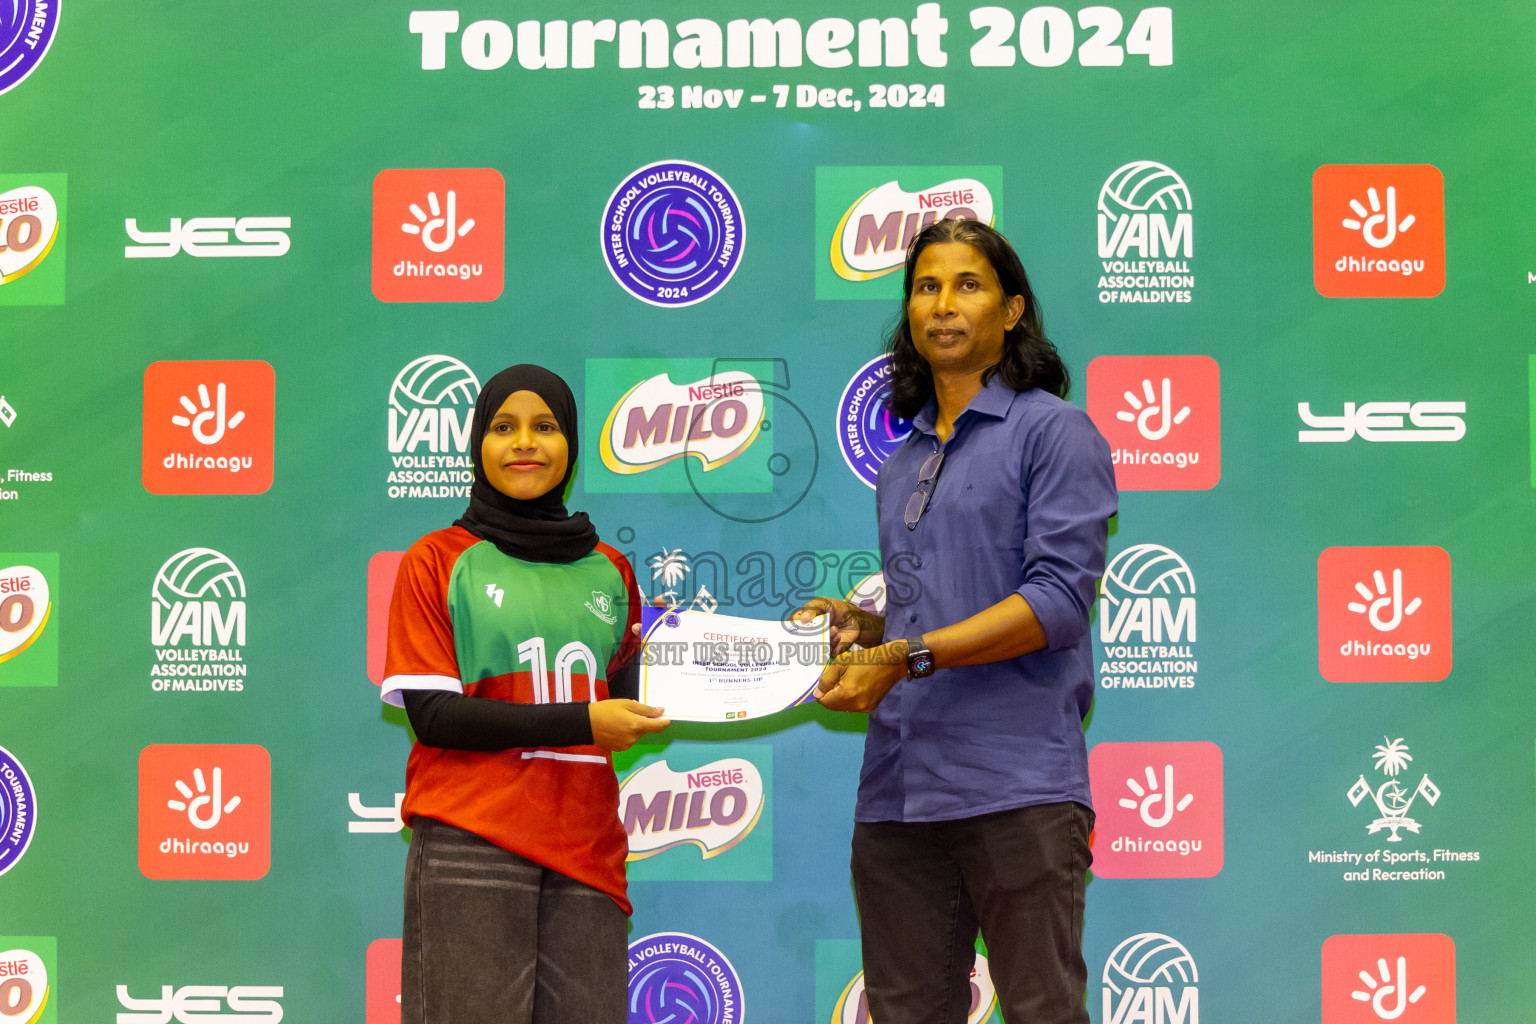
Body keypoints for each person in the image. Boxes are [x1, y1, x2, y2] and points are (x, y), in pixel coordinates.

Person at [794, 220, 1117, 1024]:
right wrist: (865, 631)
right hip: (899, 795)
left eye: (967, 285)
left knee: (1043, 1011)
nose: (943, 304)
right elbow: (926, 611)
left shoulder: (1054, 431)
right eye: (925, 286)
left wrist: (906, 656)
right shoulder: (903, 460)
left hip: (1017, 786)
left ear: (1011, 311)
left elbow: (1055, 602)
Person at [381, 364, 670, 1024]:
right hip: (473, 839)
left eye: (544, 426)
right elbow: (436, 717)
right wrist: (583, 721)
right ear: (478, 444)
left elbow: (632, 695)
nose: (525, 443)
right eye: (504, 427)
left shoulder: (610, 567)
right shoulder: (436, 560)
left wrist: (780, 664)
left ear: (569, 443)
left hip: (587, 852)